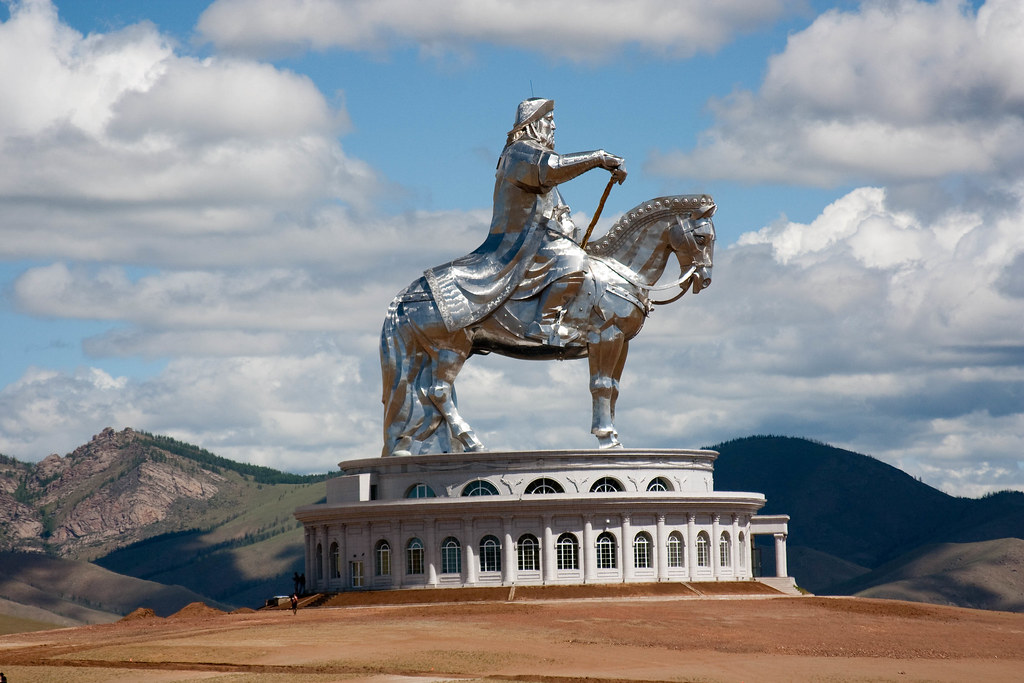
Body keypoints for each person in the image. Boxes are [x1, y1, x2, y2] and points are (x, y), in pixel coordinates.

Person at [425, 97, 626, 347]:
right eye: (549, 121)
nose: (554, 127)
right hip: (518, 242)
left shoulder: (532, 154)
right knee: (573, 259)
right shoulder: (521, 152)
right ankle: (543, 324)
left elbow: (556, 207)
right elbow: (554, 167)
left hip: (538, 240)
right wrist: (598, 158)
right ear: (533, 124)